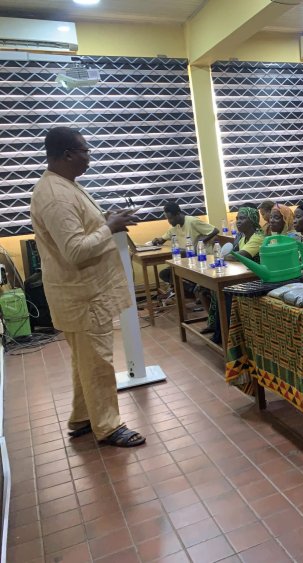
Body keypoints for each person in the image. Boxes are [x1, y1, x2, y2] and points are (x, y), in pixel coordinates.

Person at [29, 127, 145, 447]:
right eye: (84, 150)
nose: (88, 156)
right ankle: (108, 426)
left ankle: (82, 417)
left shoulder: (64, 186)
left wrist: (106, 220)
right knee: (98, 361)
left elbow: (81, 230)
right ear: (67, 154)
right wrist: (109, 227)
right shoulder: (55, 195)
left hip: (83, 292)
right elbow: (76, 249)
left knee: (85, 360)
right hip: (82, 296)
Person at [152, 202, 219, 288]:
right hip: (187, 260)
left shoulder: (192, 221)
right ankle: (192, 290)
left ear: (178, 214)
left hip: (200, 258)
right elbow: (163, 239)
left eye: (170, 218)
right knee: (165, 274)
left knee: (176, 274)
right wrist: (158, 240)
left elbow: (215, 230)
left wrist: (200, 242)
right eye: (167, 219)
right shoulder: (174, 226)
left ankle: (195, 289)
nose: (169, 221)